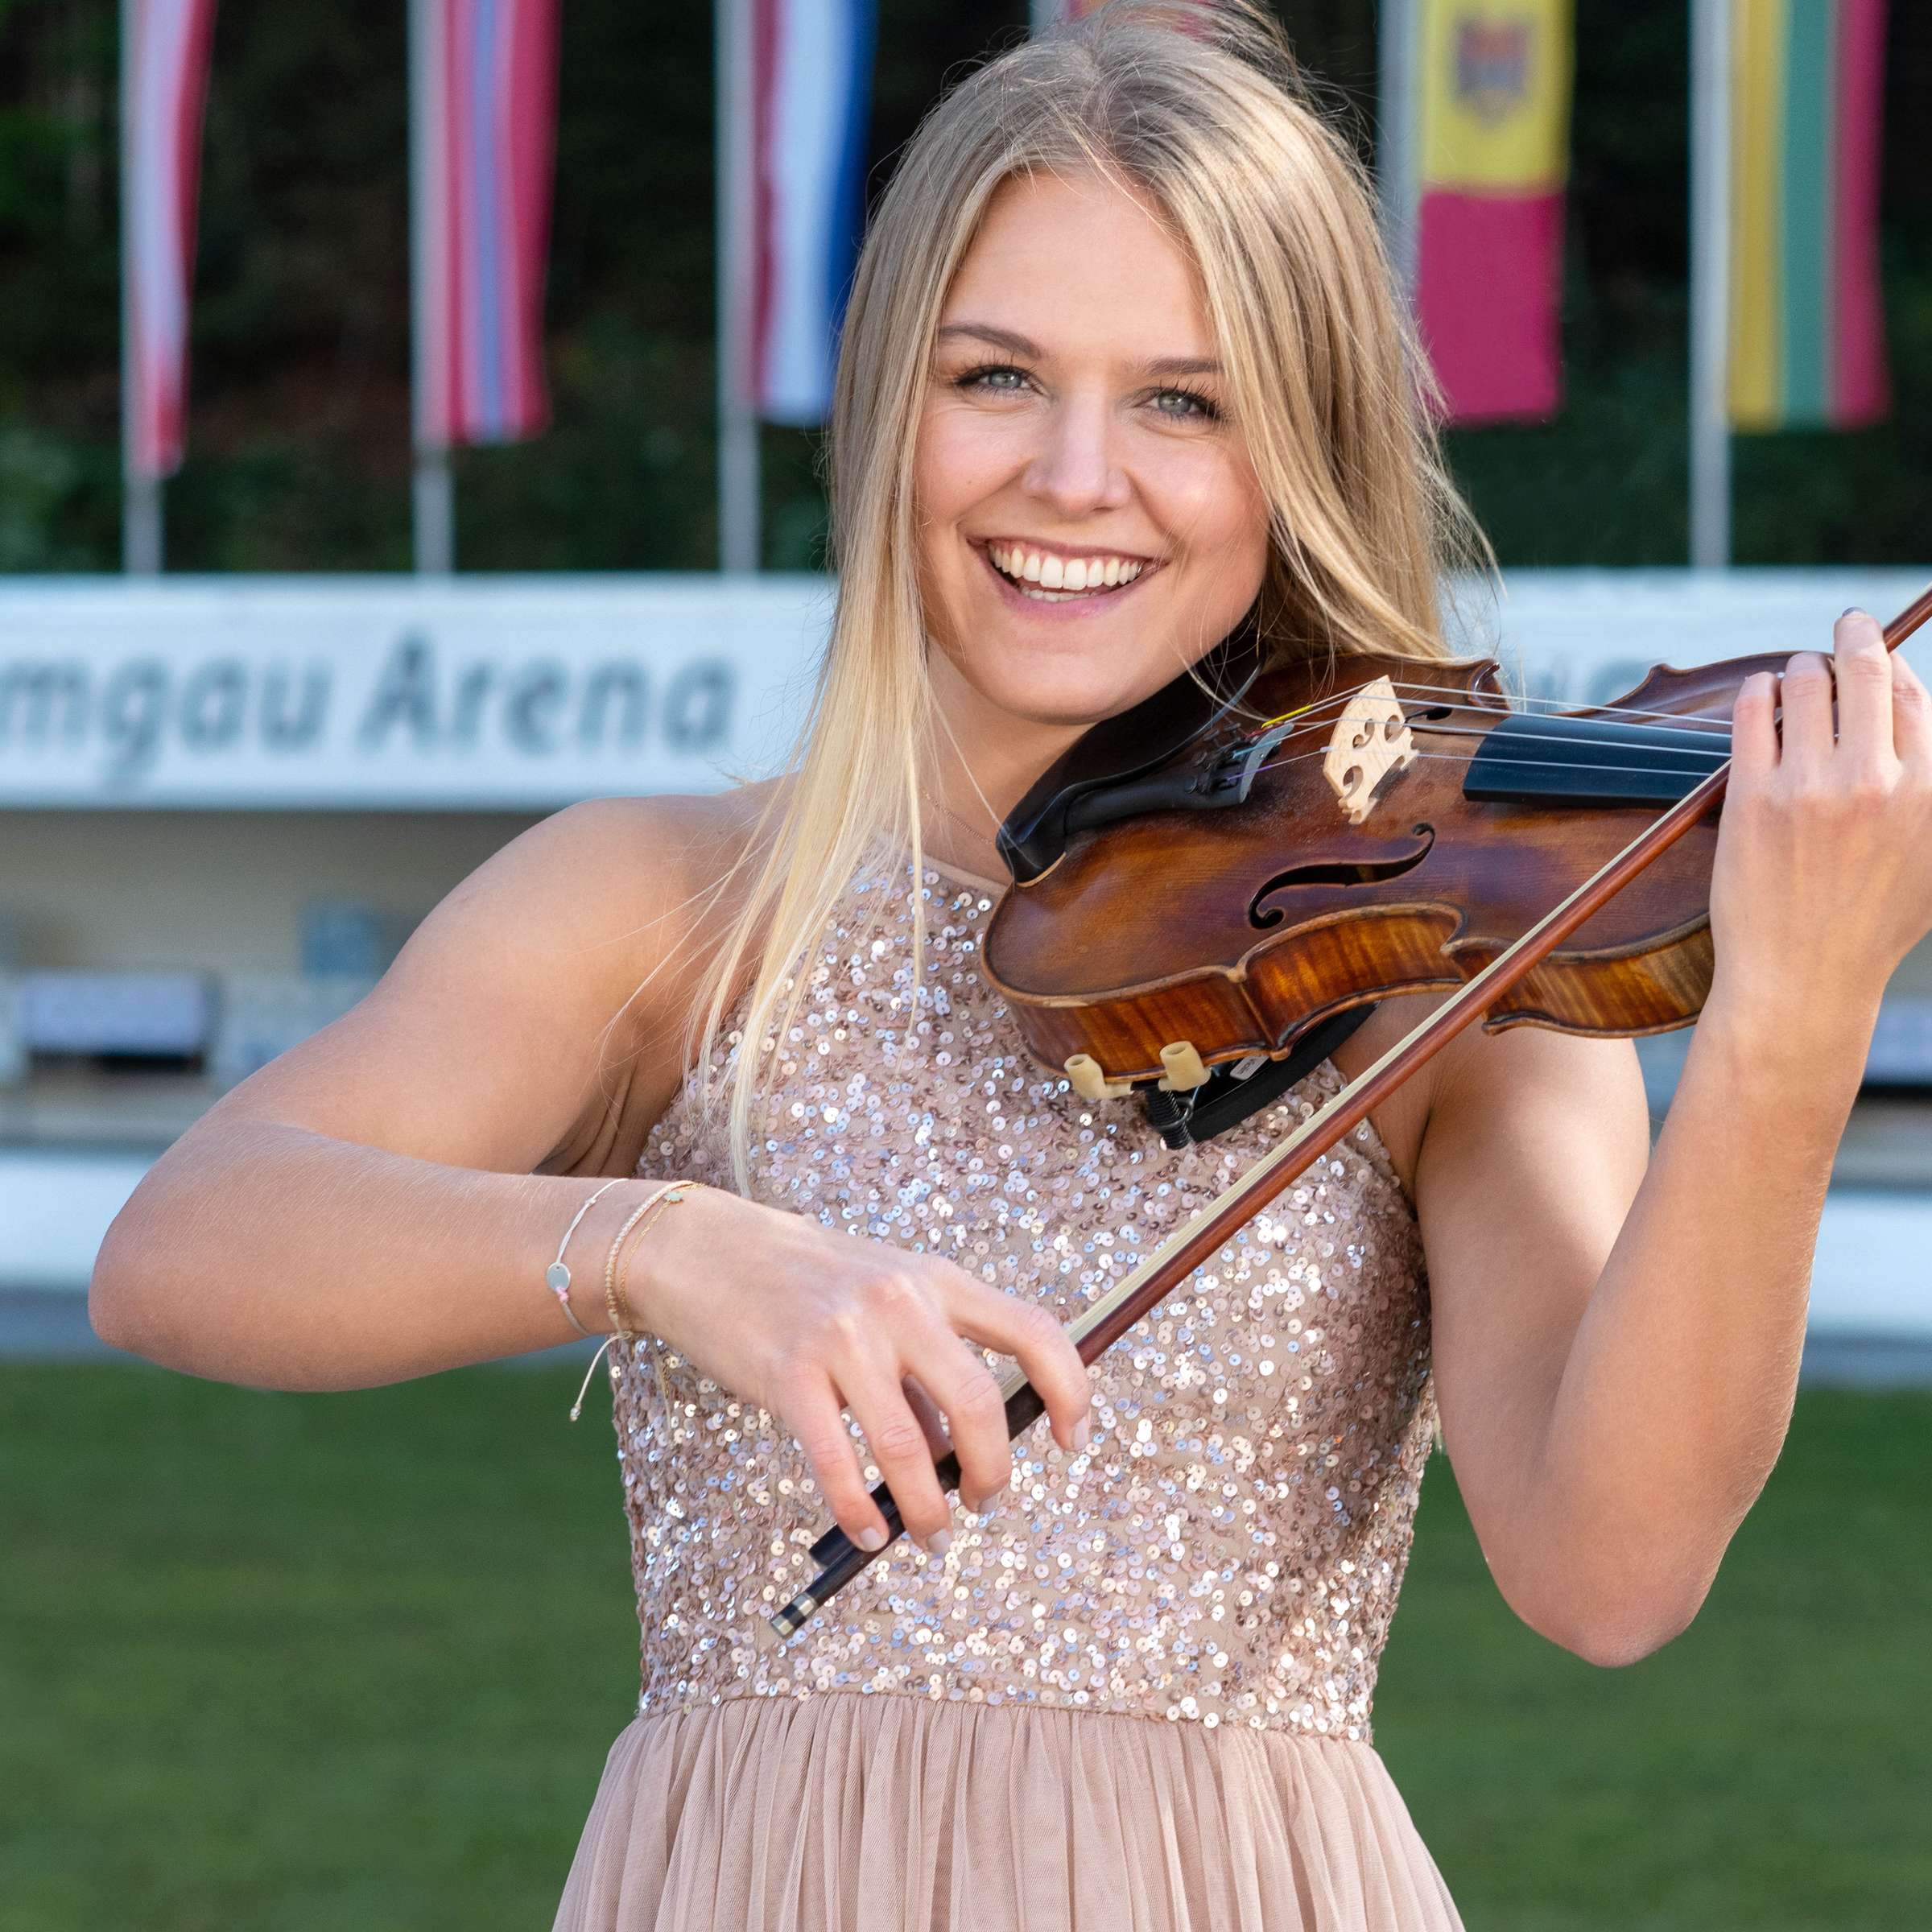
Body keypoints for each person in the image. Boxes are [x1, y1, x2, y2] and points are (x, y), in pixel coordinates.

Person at [90, 5, 1932, 1928]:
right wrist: (665, 1246)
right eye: (998, 376)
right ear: (893, 399)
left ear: (1295, 451)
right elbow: (186, 1244)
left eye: (1183, 401)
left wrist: (1795, 1026)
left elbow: (1609, 1574)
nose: (1076, 476)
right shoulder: (673, 901)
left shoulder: (1438, 957)